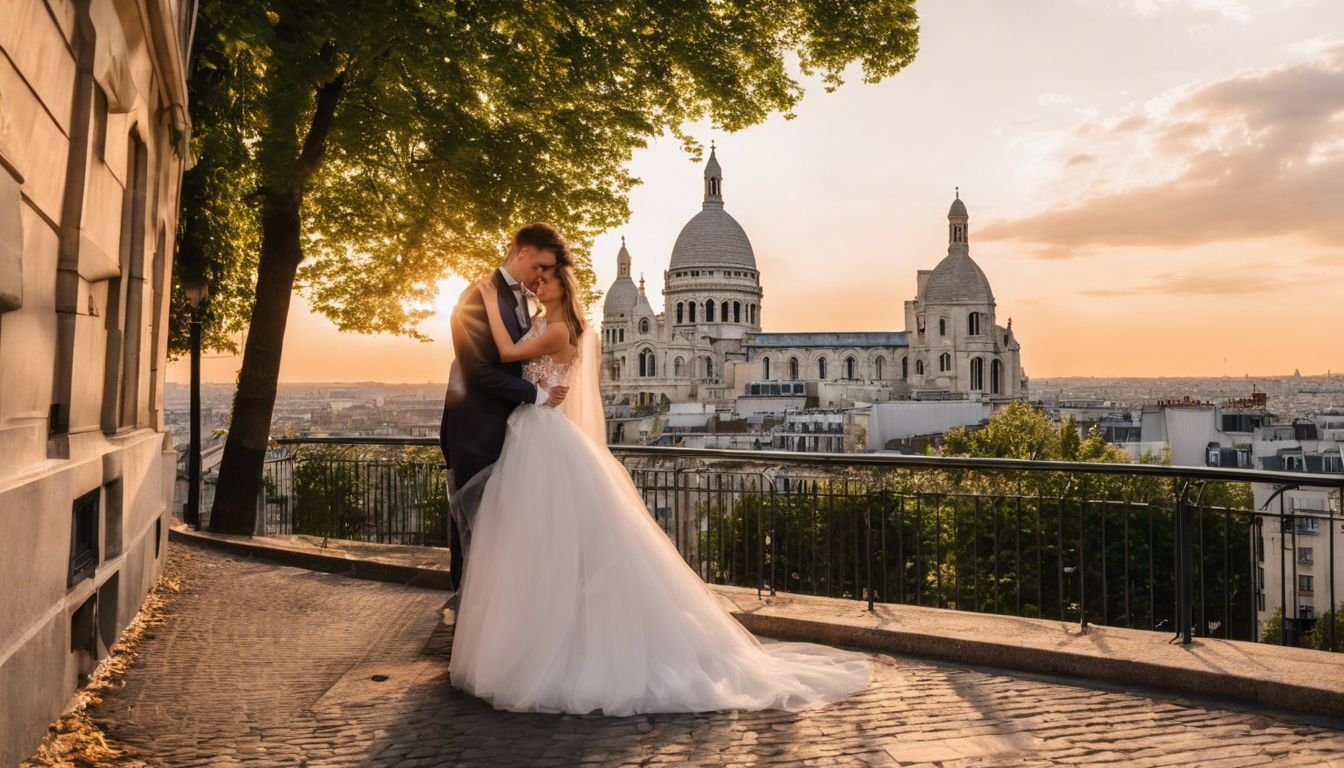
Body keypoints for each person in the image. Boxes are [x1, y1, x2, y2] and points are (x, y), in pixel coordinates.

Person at [447, 256, 870, 716]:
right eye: (537, 278)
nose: (537, 284)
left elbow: (506, 355)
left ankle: (555, 648)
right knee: (548, 546)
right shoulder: (545, 322)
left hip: (538, 436)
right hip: (533, 436)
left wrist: (488, 300)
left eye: (545, 280)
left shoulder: (558, 329)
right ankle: (545, 639)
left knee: (556, 544)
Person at [439, 224, 570, 595]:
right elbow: (478, 371)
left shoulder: (525, 301)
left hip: (511, 435)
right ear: (521, 251)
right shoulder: (474, 297)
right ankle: (467, 625)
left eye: (548, 272)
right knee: (473, 539)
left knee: (502, 540)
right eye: (540, 267)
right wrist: (538, 394)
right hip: (476, 433)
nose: (542, 277)